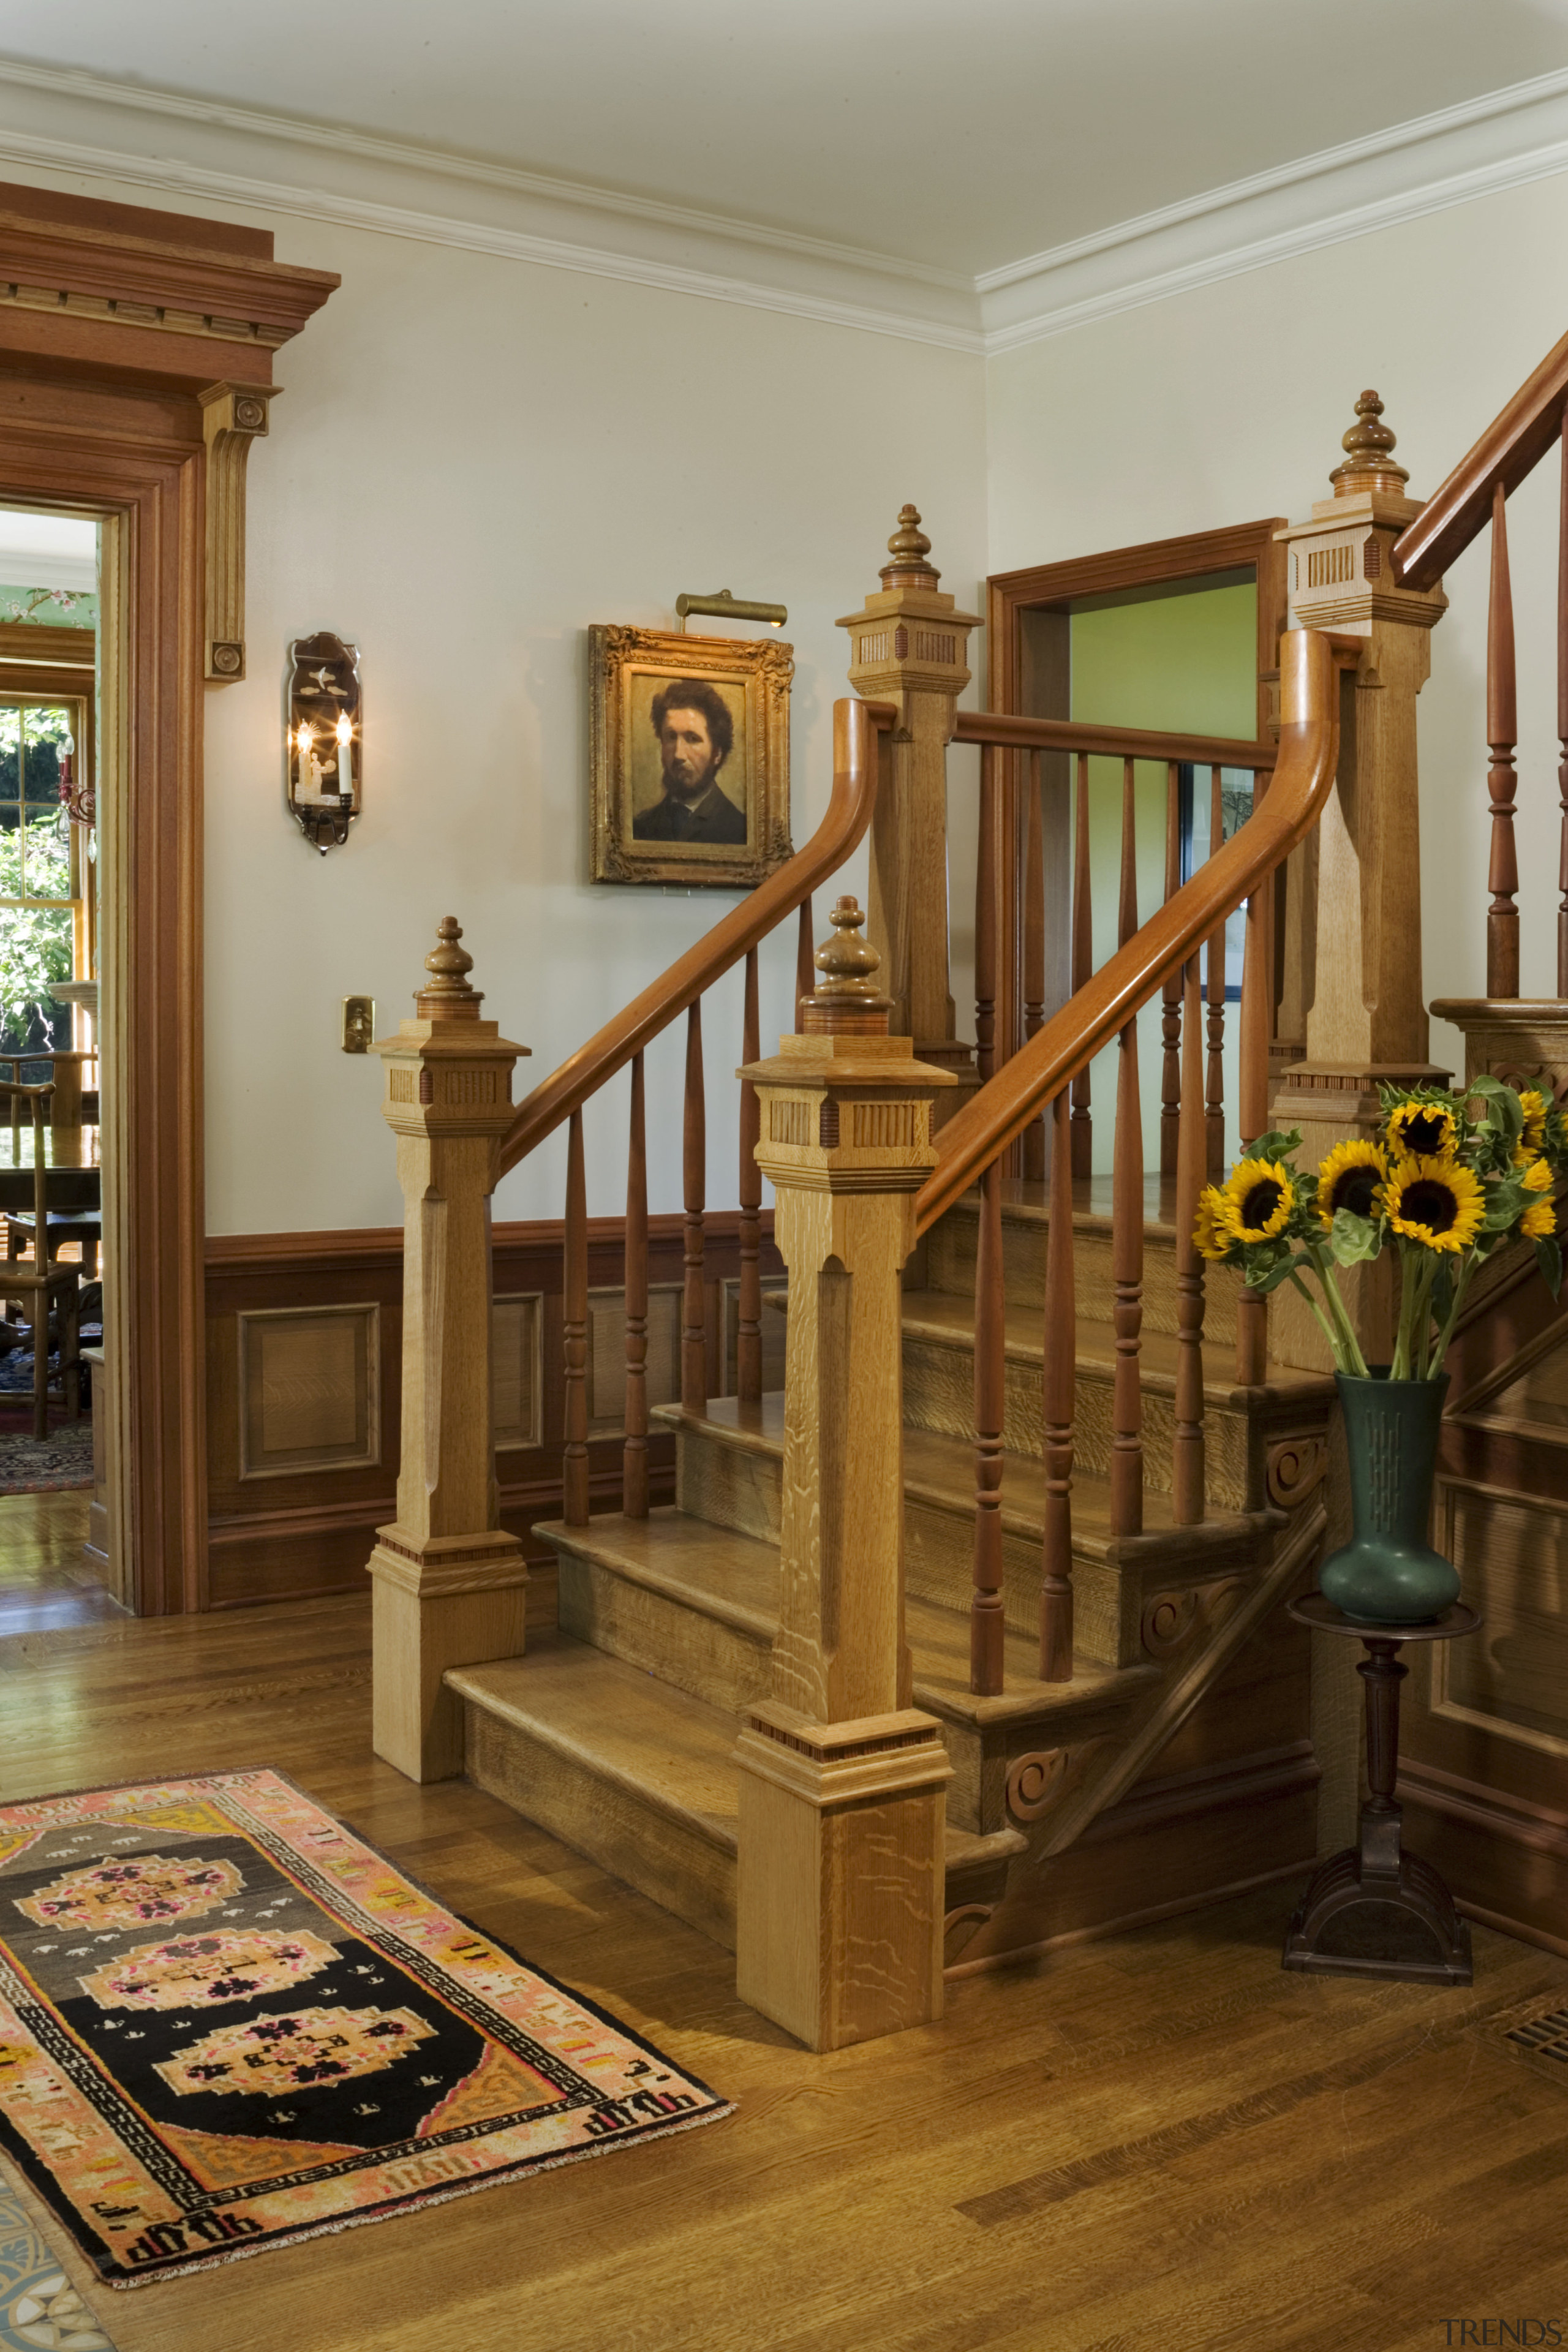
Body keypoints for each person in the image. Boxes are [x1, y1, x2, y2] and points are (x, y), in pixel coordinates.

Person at [633, 678, 747, 843]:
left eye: (692, 739)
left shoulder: (739, 830)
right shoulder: (640, 827)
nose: (679, 754)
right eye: (671, 737)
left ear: (717, 754)